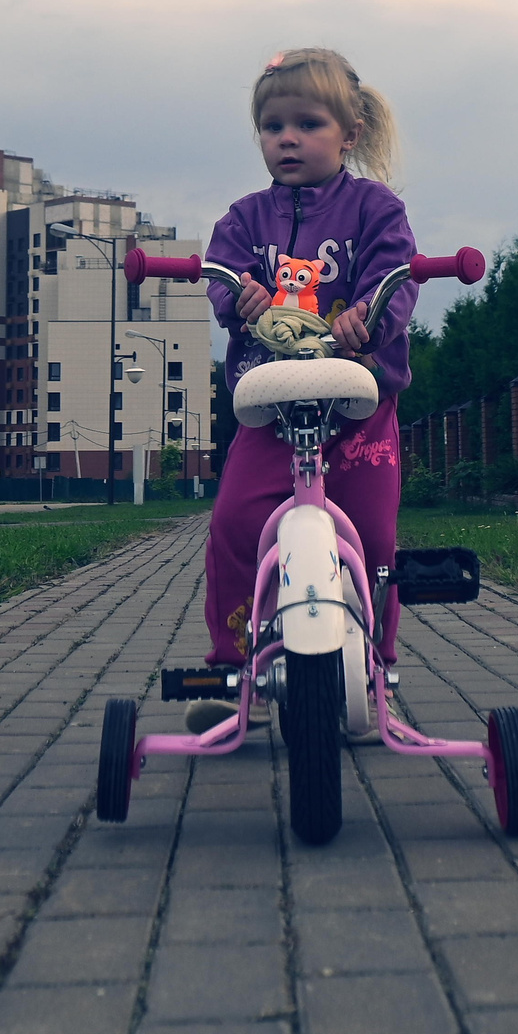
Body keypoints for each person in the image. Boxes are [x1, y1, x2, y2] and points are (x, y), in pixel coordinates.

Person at [186, 47, 417, 734]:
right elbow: (220, 273)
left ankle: (378, 669)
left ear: (349, 133)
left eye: (308, 123)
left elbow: (395, 277)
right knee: (234, 524)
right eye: (272, 125)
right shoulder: (245, 217)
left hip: (355, 402)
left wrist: (368, 319)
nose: (287, 138)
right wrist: (239, 293)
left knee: (373, 537)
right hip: (272, 405)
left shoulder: (376, 209)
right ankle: (236, 666)